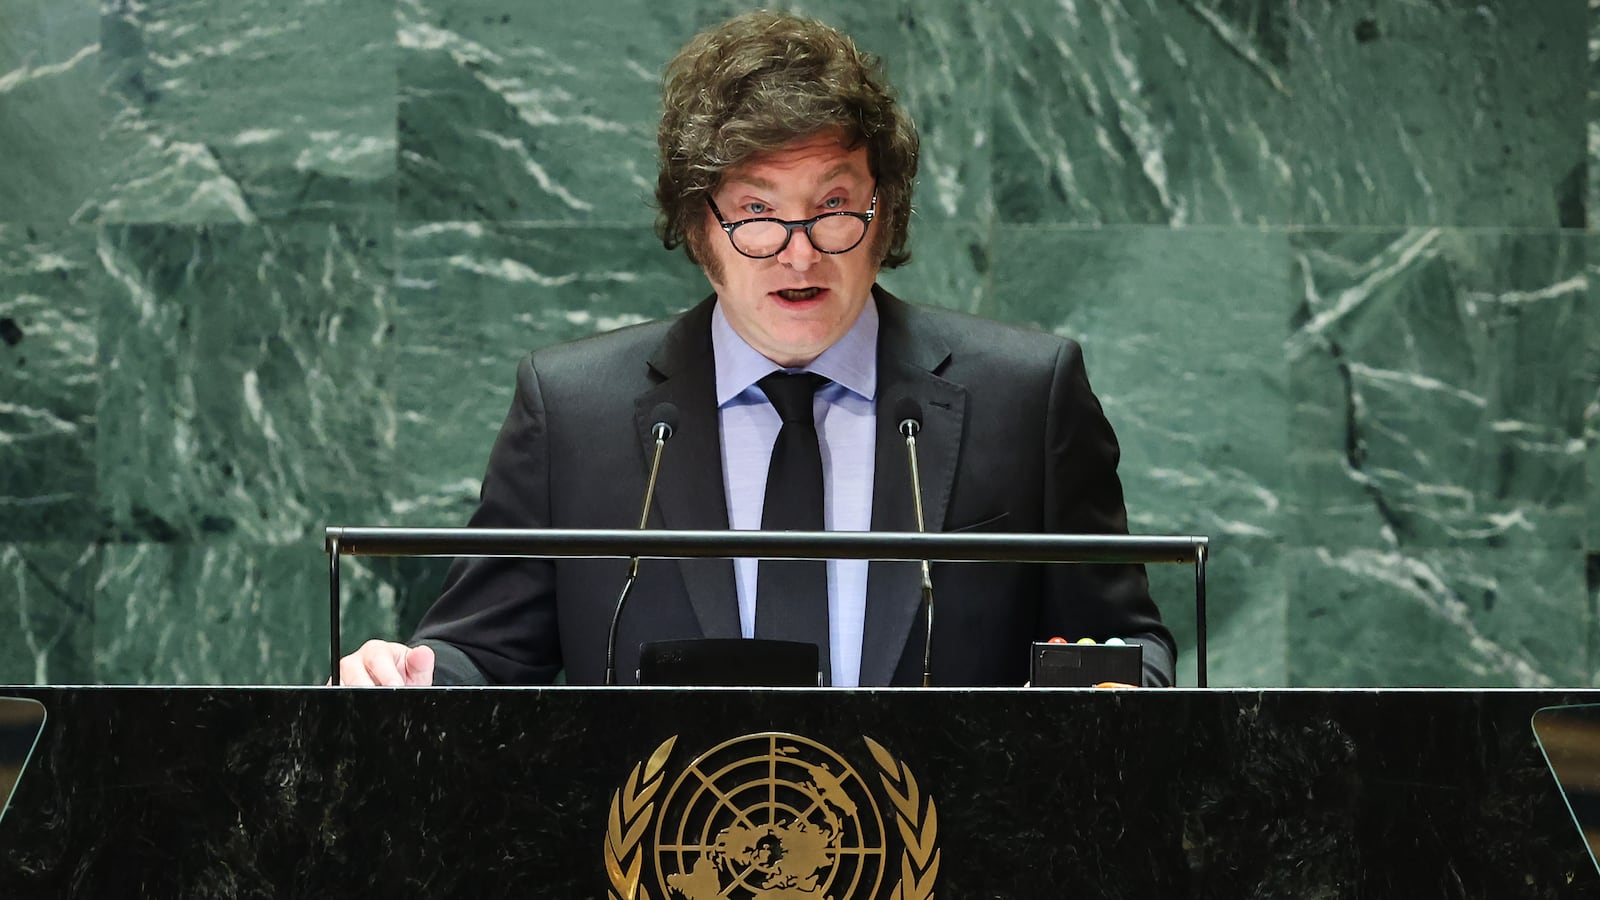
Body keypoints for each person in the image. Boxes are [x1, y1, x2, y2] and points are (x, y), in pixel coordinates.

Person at [338, 10, 1175, 688]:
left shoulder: (1025, 397)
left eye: (834, 206)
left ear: (885, 212)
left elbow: (1126, 649)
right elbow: (481, 656)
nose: (799, 253)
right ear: (699, 225)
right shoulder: (574, 413)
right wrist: (406, 676)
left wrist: (1111, 694)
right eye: (757, 212)